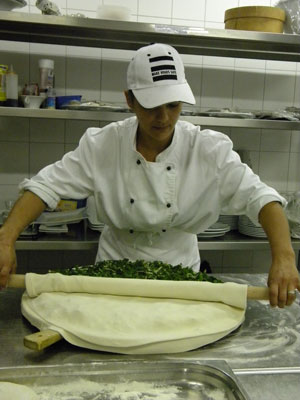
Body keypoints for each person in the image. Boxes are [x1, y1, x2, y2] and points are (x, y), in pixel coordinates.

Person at [0, 43, 299, 307]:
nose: (164, 118)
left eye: (173, 105)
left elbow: (261, 198)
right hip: (112, 275)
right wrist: (6, 239)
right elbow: (44, 186)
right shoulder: (103, 145)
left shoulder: (207, 149)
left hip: (181, 279)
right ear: (129, 100)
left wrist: (284, 257)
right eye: (152, 105)